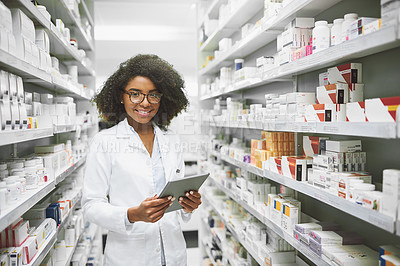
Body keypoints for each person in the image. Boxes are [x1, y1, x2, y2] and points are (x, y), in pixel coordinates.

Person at [82, 54, 202, 266]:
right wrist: (132, 215)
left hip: (173, 254)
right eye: (135, 94)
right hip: (130, 255)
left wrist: (188, 205)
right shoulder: (104, 142)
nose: (145, 103)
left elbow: (176, 197)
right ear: (121, 96)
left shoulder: (171, 139)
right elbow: (91, 205)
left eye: (153, 95)